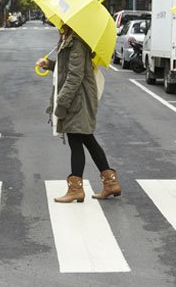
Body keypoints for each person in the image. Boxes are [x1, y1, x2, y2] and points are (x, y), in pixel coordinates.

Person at [36, 25, 121, 203]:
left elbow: (75, 75)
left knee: (77, 141)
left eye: (62, 22)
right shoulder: (68, 41)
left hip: (78, 100)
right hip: (77, 98)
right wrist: (49, 64)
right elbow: (66, 68)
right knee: (87, 140)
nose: (59, 25)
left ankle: (76, 190)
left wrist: (62, 102)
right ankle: (110, 184)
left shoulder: (77, 43)